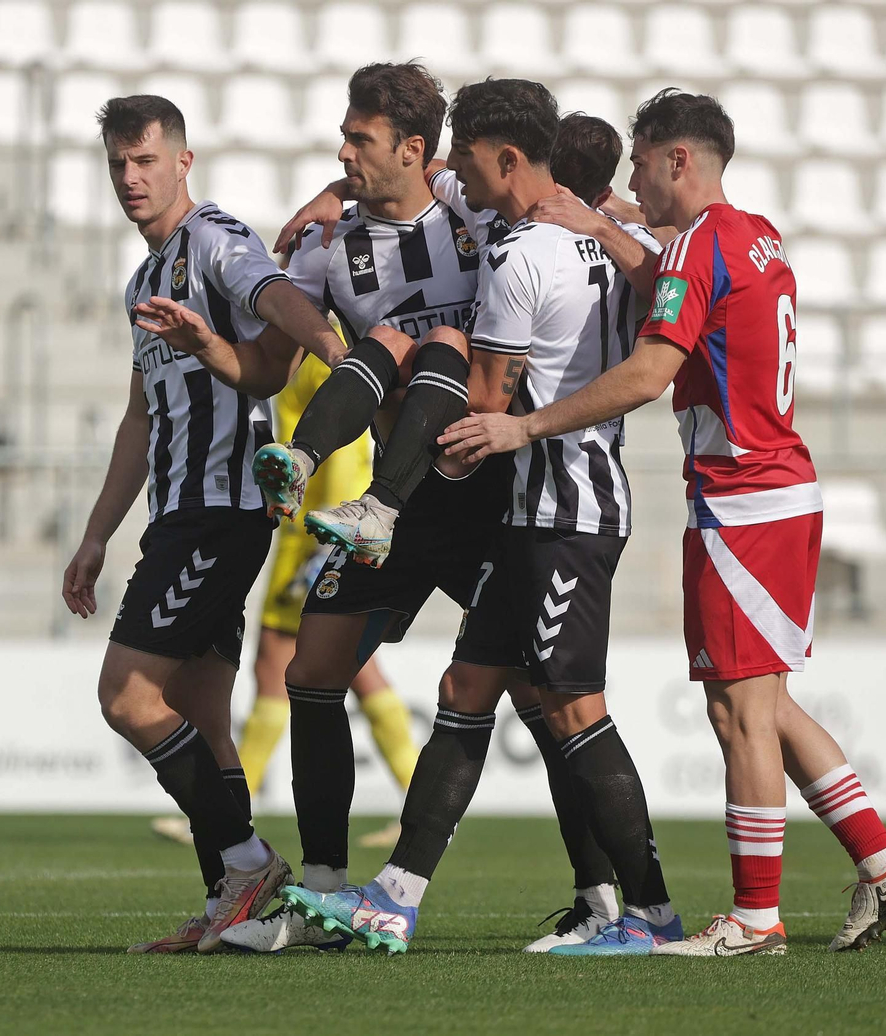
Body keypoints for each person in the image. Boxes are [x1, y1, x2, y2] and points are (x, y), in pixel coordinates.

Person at [439, 88, 886, 957]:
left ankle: (754, 918)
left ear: (678, 160)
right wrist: (615, 232)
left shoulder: (700, 243)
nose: (632, 178)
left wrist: (524, 424)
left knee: (737, 711)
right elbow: (681, 291)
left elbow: (650, 370)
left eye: (641, 162)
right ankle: (880, 859)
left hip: (742, 497)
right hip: (781, 488)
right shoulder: (753, 233)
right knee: (766, 702)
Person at [279, 79, 680, 957]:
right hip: (461, 489)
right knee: (334, 673)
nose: (346, 153)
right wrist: (335, 192)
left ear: (427, 151)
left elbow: (496, 392)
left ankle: (624, 904)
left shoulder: (502, 235)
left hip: (511, 496)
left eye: (361, 140)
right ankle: (352, 892)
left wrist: (476, 434)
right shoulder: (359, 229)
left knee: (558, 706)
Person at [61, 94, 347, 955]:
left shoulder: (215, 239)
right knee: (203, 715)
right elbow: (141, 420)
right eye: (118, 163)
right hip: (176, 515)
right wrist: (96, 534)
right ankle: (239, 906)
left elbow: (276, 297)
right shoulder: (143, 282)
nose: (130, 178)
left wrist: (342, 358)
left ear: (183, 162)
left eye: (145, 160)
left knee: (126, 697)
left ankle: (249, 864)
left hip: (218, 516)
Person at [151, 351, 417, 850]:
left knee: (288, 661)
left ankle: (230, 802)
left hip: (318, 530)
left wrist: (327, 539)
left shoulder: (319, 349)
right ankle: (413, 800)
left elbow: (343, 442)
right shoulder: (306, 342)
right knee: (338, 666)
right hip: (307, 528)